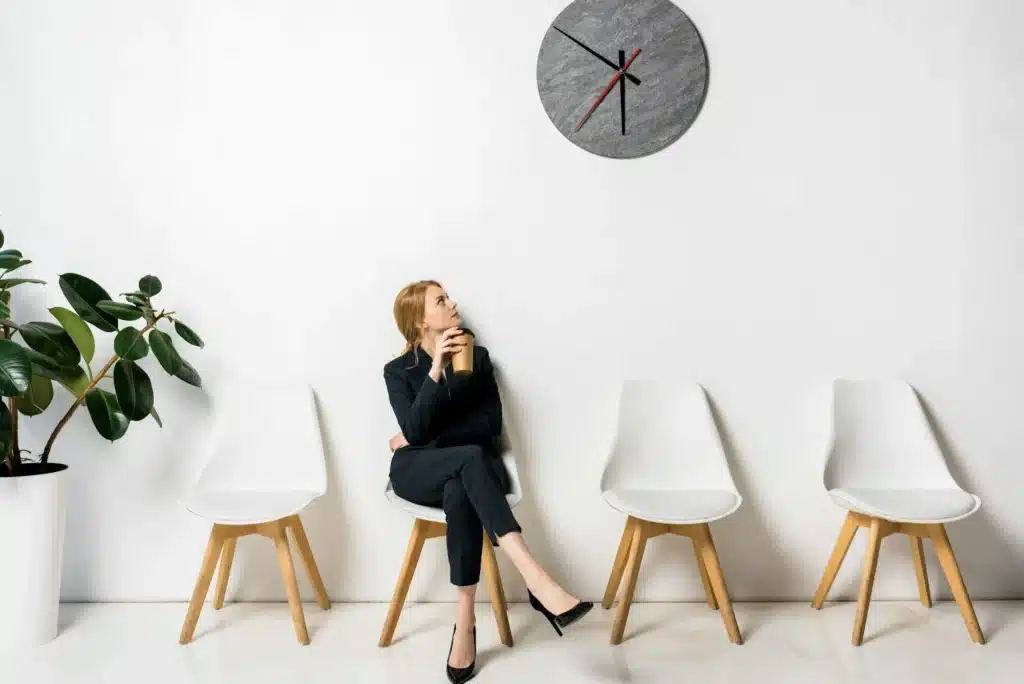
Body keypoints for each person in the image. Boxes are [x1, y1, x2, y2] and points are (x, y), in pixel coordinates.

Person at [384, 280, 593, 684]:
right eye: (441, 301)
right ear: (419, 321)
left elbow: (488, 426)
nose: (453, 303)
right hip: (415, 471)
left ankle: (464, 624)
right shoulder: (397, 372)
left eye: (448, 297)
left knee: (463, 482)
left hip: (469, 466)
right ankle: (536, 579)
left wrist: (418, 435)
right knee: (467, 460)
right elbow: (414, 427)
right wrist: (436, 372)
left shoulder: (476, 358)